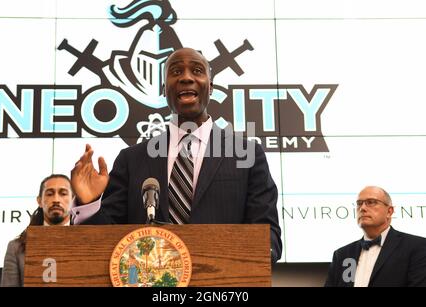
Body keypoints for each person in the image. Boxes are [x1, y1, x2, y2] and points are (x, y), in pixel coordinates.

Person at [70, 47, 282, 262]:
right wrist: (89, 204)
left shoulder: (247, 155)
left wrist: (249, 258)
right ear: (164, 89)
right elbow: (105, 242)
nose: (186, 78)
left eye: (197, 71)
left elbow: (267, 235)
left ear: (210, 88)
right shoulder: (131, 160)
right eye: (176, 71)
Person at [325, 186, 426, 287]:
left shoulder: (417, 247)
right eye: (359, 203)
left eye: (371, 202)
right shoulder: (342, 254)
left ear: (389, 211)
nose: (362, 208)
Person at [1, 174, 74, 287]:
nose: (56, 199)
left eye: (63, 193)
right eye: (49, 194)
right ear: (39, 201)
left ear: (73, 199)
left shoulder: (90, 244)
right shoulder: (16, 247)